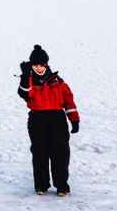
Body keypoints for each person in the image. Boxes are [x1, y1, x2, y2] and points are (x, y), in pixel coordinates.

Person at [18, 45, 80, 196]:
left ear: (46, 65)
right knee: (40, 152)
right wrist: (26, 77)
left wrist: (74, 119)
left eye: (41, 65)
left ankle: (61, 186)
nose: (38, 68)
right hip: (37, 119)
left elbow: (68, 101)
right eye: (35, 65)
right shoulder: (29, 80)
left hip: (57, 119)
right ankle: (41, 185)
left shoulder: (57, 81)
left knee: (60, 152)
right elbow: (25, 94)